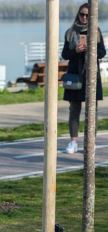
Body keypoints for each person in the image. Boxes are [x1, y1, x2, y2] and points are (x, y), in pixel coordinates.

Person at [62, 3, 106, 154]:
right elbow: (65, 55)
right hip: (75, 75)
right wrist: (75, 50)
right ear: (78, 14)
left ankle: (90, 143)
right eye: (82, 14)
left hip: (91, 75)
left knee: (92, 111)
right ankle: (73, 141)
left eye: (88, 15)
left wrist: (91, 48)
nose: (85, 17)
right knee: (74, 109)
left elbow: (102, 53)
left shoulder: (96, 31)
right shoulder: (70, 32)